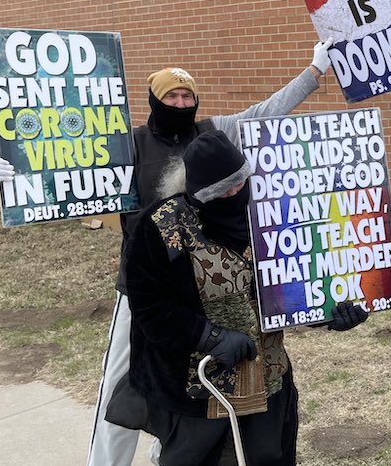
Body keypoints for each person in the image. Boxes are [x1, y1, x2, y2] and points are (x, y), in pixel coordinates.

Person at [0, 38, 333, 466]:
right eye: (171, 95)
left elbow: (267, 112)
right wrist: (12, 178)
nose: (181, 102)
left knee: (191, 384)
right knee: (125, 379)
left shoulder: (215, 133)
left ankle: (170, 446)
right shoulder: (127, 145)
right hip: (146, 285)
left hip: (212, 286)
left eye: (187, 95)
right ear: (154, 98)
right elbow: (65, 168)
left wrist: (313, 73)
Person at [122, 130, 368, 465]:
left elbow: (292, 283)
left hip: (268, 374)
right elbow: (150, 307)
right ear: (199, 193)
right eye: (223, 190)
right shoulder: (162, 226)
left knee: (267, 456)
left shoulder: (269, 216)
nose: (235, 193)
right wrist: (210, 337)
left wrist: (327, 312)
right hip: (197, 386)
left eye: (240, 182)